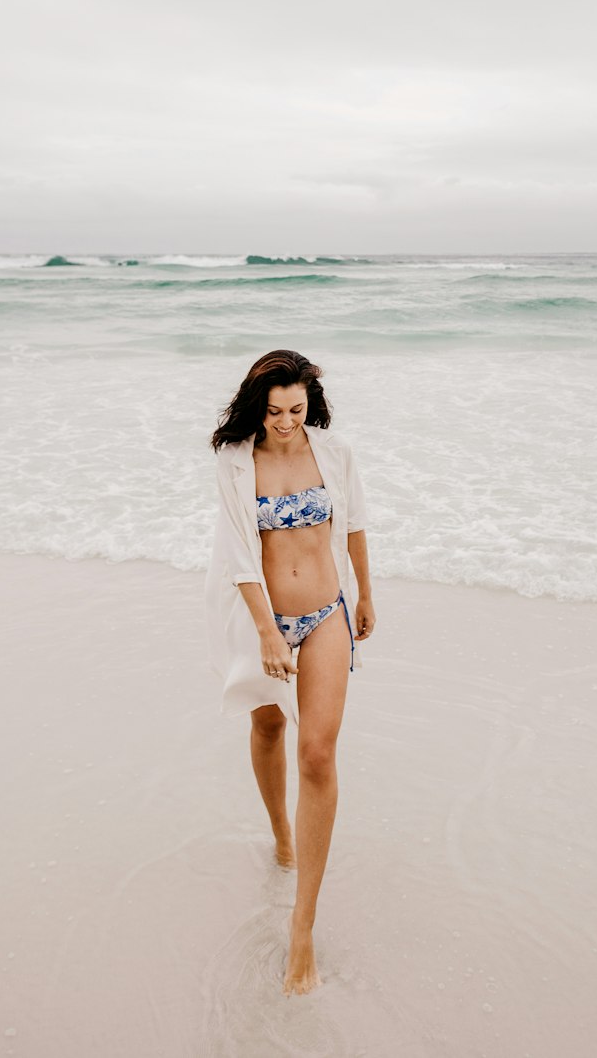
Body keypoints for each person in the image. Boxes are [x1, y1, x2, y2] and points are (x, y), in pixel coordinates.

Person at [206, 348, 376, 996]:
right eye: (274, 410)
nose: (285, 421)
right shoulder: (234, 460)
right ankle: (280, 831)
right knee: (269, 731)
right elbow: (237, 552)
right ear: (258, 405)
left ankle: (302, 926)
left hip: (326, 613)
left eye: (296, 409)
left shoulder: (334, 453)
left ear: (312, 402)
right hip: (261, 617)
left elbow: (355, 525)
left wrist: (366, 595)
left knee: (317, 754)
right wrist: (267, 631)